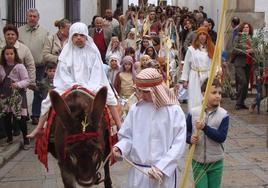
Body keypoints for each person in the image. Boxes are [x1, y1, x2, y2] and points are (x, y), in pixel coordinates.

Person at [27, 22, 121, 138]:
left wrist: (87, 86)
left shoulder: (93, 52)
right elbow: (62, 74)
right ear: (71, 37)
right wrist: (73, 85)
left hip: (92, 84)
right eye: (75, 35)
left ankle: (119, 124)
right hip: (69, 86)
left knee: (109, 97)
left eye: (81, 35)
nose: (78, 38)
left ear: (86, 37)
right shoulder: (66, 53)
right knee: (48, 100)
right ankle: (39, 128)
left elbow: (97, 72)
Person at [112, 68, 186, 188]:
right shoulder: (135, 110)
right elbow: (127, 137)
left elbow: (179, 144)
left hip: (164, 175)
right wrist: (120, 148)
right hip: (139, 174)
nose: (141, 95)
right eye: (139, 91)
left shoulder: (174, 111)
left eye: (145, 92)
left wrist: (162, 167)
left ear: (156, 90)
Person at [186, 78, 229, 188]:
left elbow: (221, 137)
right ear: (203, 93)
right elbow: (186, 132)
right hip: (197, 161)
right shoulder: (194, 112)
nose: (218, 96)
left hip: (216, 162)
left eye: (220, 93)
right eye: (214, 92)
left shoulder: (224, 115)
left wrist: (205, 127)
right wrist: (190, 138)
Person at [18, 8, 49, 125]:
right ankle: (22, 115)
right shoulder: (19, 31)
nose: (32, 18)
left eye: (34, 16)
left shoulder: (45, 32)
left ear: (38, 18)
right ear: (27, 17)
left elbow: (46, 49)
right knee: (21, 90)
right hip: (22, 66)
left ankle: (36, 114)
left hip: (39, 66)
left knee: (38, 90)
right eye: (30, 16)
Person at [0, 45, 30, 149]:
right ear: (3, 55)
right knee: (6, 118)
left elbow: (27, 80)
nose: (9, 56)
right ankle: (9, 138)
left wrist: (17, 84)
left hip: (18, 96)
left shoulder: (20, 66)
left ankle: (26, 139)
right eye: (7, 54)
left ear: (15, 54)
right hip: (5, 96)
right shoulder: (1, 67)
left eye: (11, 54)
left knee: (21, 119)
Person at [181, 26, 214, 111]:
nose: (202, 36)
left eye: (204, 34)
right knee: (195, 98)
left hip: (207, 76)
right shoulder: (191, 49)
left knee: (206, 97)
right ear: (197, 36)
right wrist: (185, 79)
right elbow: (186, 65)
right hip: (195, 76)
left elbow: (214, 62)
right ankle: (194, 116)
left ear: (207, 36)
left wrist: (216, 73)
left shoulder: (211, 49)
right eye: (200, 34)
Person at [232, 22, 256, 110]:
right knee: (243, 82)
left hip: (249, 64)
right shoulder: (237, 38)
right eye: (245, 27)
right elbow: (234, 50)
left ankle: (242, 102)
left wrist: (254, 50)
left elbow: (254, 49)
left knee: (246, 85)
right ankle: (238, 103)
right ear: (241, 28)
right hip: (239, 63)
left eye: (248, 27)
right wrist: (246, 51)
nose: (246, 29)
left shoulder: (252, 39)